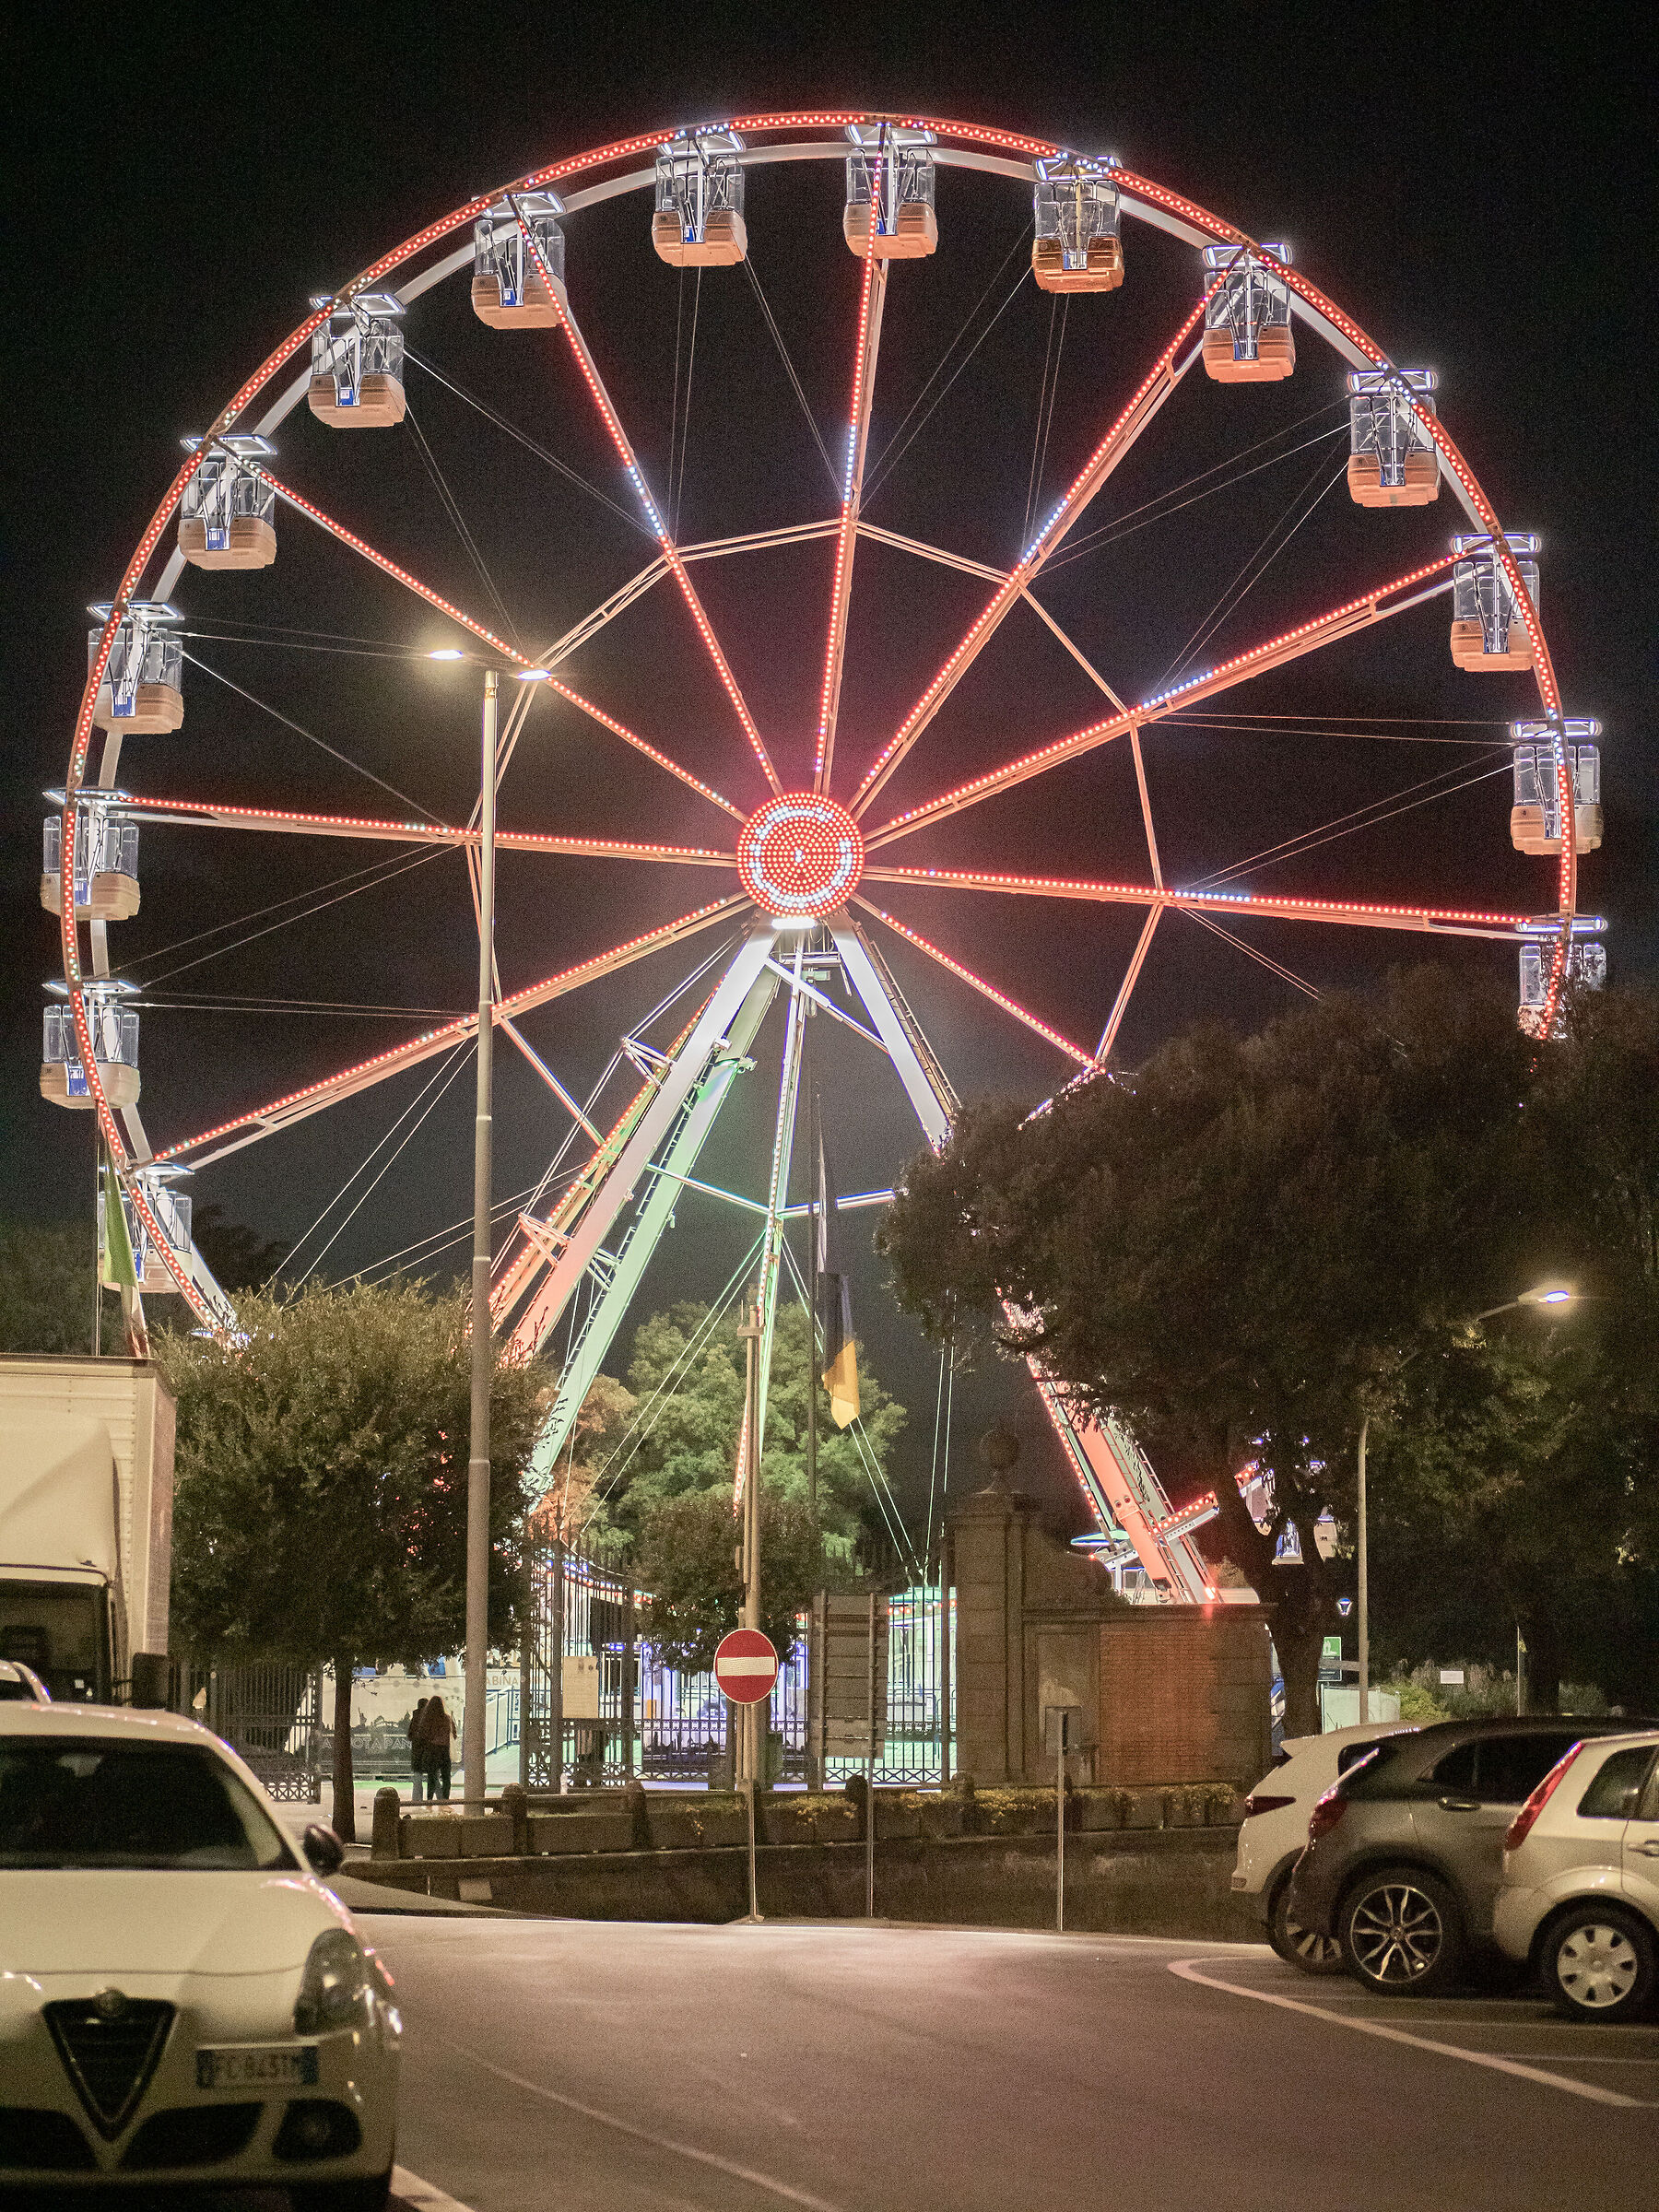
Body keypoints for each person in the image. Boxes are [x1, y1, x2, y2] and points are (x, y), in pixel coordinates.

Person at [418, 1694, 455, 1802]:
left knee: (432, 1776)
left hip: (432, 1750)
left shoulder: (427, 1719)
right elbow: (454, 1734)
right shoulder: (447, 1718)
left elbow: (422, 1734)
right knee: (446, 1777)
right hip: (444, 1750)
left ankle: (429, 1799)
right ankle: (445, 1799)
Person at [405, 1696, 430, 1805]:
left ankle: (416, 1799)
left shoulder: (415, 1718)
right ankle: (437, 1800)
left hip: (416, 1751)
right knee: (433, 1777)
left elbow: (410, 1736)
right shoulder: (429, 1719)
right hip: (429, 1751)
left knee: (417, 1777)